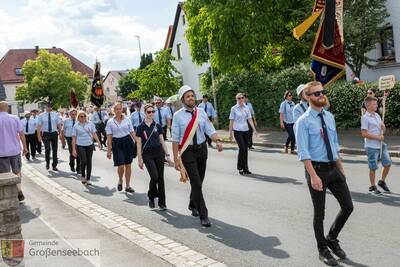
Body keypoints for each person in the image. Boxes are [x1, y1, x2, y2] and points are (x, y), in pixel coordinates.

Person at [295, 81, 353, 266]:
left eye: (323, 92)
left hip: (333, 168)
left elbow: (334, 145)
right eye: (316, 93)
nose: (321, 95)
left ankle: (332, 238)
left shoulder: (329, 117)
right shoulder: (303, 121)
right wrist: (313, 176)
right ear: (307, 97)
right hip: (317, 170)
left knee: (348, 206)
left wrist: (341, 169)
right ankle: (323, 250)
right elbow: (303, 152)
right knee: (319, 214)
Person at [172, 85, 223, 227]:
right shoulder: (177, 116)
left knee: (199, 180)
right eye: (187, 96)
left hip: (202, 149)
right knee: (196, 183)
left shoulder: (201, 112)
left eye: (192, 95)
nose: (191, 98)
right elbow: (175, 139)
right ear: (183, 100)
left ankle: (192, 203)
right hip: (187, 152)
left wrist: (218, 140)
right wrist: (176, 159)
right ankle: (204, 215)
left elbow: (209, 129)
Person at [136, 104, 173, 210]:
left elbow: (162, 141)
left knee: (161, 178)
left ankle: (162, 203)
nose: (151, 114)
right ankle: (151, 196)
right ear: (145, 112)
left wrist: (168, 155)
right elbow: (138, 144)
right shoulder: (140, 127)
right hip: (147, 154)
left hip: (159, 153)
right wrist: (140, 159)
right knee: (154, 177)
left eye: (153, 112)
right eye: (149, 112)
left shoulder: (157, 125)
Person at [361, 96, 392, 194]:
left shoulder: (377, 116)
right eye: (374, 104)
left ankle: (381, 181)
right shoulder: (365, 118)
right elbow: (364, 134)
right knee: (373, 167)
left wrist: (384, 127)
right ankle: (372, 186)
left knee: (387, 163)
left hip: (381, 145)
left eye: (376, 104)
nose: (377, 105)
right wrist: (378, 138)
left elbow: (383, 130)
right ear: (368, 105)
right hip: (371, 147)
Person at [0, 101, 28, 201]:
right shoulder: (14, 118)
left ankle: (9, 195)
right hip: (14, 150)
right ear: (7, 108)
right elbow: (21, 134)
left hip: (1, 152)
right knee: (17, 171)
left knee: (5, 174)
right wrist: (25, 147)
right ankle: (19, 190)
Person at [106, 102, 136, 193]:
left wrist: (138, 143)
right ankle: (120, 180)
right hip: (117, 143)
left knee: (128, 165)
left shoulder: (127, 119)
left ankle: (128, 186)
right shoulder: (110, 122)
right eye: (117, 109)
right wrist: (108, 150)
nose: (118, 110)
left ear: (122, 109)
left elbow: (132, 132)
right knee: (121, 165)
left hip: (128, 142)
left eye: (120, 109)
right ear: (114, 110)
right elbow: (109, 137)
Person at [229, 93, 257, 175]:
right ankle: (240, 167)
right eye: (239, 98)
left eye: (242, 98)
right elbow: (231, 121)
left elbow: (249, 119)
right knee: (242, 148)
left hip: (246, 130)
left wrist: (254, 129)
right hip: (237, 130)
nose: (241, 99)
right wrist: (230, 133)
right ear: (236, 99)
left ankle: (246, 168)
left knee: (246, 150)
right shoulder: (233, 108)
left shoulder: (247, 107)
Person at [72, 111, 102, 186]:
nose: (83, 118)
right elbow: (74, 138)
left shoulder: (90, 124)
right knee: (84, 160)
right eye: (81, 116)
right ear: (78, 117)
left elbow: (94, 133)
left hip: (89, 145)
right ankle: (83, 176)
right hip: (80, 145)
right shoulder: (76, 126)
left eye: (84, 116)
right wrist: (74, 149)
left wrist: (98, 142)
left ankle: (88, 179)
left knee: (89, 162)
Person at [37, 102, 62, 171]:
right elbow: (38, 127)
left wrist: (60, 134)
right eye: (48, 106)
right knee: (47, 148)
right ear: (45, 107)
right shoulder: (41, 115)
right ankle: (47, 163)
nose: (49, 108)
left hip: (54, 133)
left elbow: (59, 124)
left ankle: (54, 165)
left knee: (55, 149)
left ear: (52, 107)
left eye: (50, 106)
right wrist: (39, 136)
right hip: (46, 134)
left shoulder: (56, 114)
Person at [63, 109, 80, 173]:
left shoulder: (78, 121)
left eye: (75, 114)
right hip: (69, 138)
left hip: (78, 138)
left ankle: (79, 168)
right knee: (72, 152)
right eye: (73, 114)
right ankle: (72, 165)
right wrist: (63, 139)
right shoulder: (66, 121)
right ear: (70, 114)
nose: (74, 115)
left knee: (78, 152)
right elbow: (63, 130)